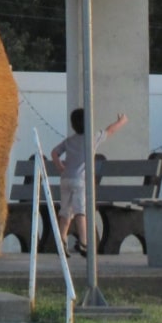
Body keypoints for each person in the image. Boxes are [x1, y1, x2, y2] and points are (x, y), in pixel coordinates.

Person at [47, 108, 128, 257]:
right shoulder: (92, 138)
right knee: (80, 211)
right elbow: (110, 131)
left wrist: (59, 165)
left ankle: (62, 240)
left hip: (65, 179)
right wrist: (121, 121)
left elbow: (54, 152)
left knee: (65, 211)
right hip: (80, 180)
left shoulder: (70, 140)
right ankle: (84, 243)